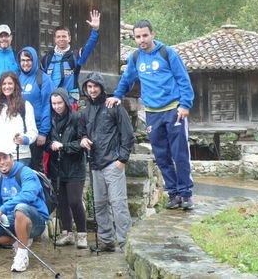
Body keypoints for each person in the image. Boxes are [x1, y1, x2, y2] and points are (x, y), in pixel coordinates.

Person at [107, 19, 195, 209]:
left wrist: (185, 105)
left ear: (152, 34)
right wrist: (117, 95)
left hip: (173, 110)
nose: (141, 40)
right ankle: (174, 194)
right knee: (162, 156)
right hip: (152, 113)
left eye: (145, 35)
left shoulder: (167, 53)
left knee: (179, 154)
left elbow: (183, 79)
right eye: (137, 37)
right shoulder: (136, 57)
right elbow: (127, 79)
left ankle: (186, 193)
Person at [0, 144, 49, 273]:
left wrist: (2, 210)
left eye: (5, 158)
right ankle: (21, 240)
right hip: (12, 220)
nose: (2, 162)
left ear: (12, 158)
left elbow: (28, 195)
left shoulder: (26, 172)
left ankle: (22, 254)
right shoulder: (1, 179)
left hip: (36, 221)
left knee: (20, 208)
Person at [81, 72, 134, 252]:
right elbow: (82, 133)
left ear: (102, 87)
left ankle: (125, 243)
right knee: (99, 205)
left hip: (113, 163)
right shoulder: (86, 110)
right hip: (95, 164)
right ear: (86, 89)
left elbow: (127, 133)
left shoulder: (114, 106)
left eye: (95, 86)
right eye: (89, 86)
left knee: (118, 204)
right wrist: (83, 139)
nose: (93, 89)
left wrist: (123, 158)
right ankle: (106, 240)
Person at [46, 88, 87, 249]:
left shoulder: (76, 118)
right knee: (61, 202)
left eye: (59, 103)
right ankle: (67, 233)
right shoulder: (50, 120)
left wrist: (64, 146)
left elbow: (81, 143)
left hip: (75, 166)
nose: (56, 106)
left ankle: (82, 234)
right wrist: (51, 146)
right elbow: (47, 143)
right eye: (54, 103)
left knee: (75, 201)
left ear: (65, 102)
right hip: (57, 167)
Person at [41, 10, 101, 100]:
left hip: (71, 102)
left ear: (69, 38)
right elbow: (40, 80)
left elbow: (89, 47)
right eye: (58, 36)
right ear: (55, 39)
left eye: (64, 36)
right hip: (52, 102)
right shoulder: (47, 58)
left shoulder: (76, 56)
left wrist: (95, 30)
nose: (61, 39)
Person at [0, 72, 37, 171]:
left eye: (10, 83)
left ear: (16, 85)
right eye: (4, 84)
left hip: (20, 156)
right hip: (0, 158)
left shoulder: (25, 105)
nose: (7, 87)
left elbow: (33, 131)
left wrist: (24, 139)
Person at [18, 46, 53, 172]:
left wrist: (43, 132)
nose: (25, 63)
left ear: (34, 61)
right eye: (23, 60)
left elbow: (47, 106)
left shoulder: (43, 79)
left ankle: (41, 191)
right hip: (19, 131)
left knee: (36, 168)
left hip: (36, 131)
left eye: (29, 60)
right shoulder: (16, 78)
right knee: (20, 168)